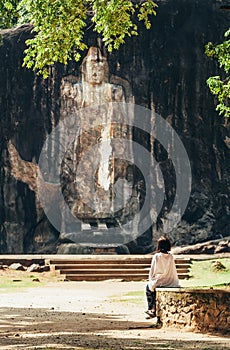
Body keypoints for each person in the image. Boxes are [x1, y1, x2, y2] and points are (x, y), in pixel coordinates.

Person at [145, 236, 180, 318]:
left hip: (160, 280)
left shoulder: (157, 256)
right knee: (153, 287)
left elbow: (153, 270)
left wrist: (151, 279)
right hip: (170, 280)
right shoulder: (170, 256)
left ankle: (151, 308)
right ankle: (154, 309)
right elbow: (172, 269)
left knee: (149, 288)